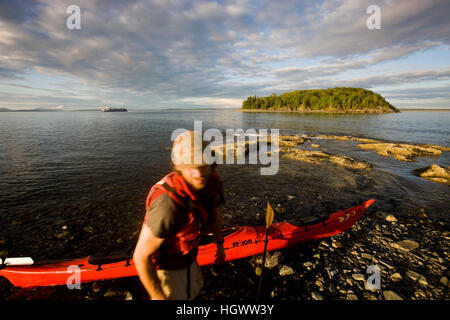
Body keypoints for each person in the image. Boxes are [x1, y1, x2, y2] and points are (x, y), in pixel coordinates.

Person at [133, 130, 225, 300]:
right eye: (191, 166)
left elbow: (214, 214)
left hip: (191, 261)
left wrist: (220, 244)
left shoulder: (210, 185)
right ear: (180, 167)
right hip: (167, 271)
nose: (199, 174)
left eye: (203, 165)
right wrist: (157, 296)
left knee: (194, 293)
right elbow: (140, 256)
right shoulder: (168, 206)